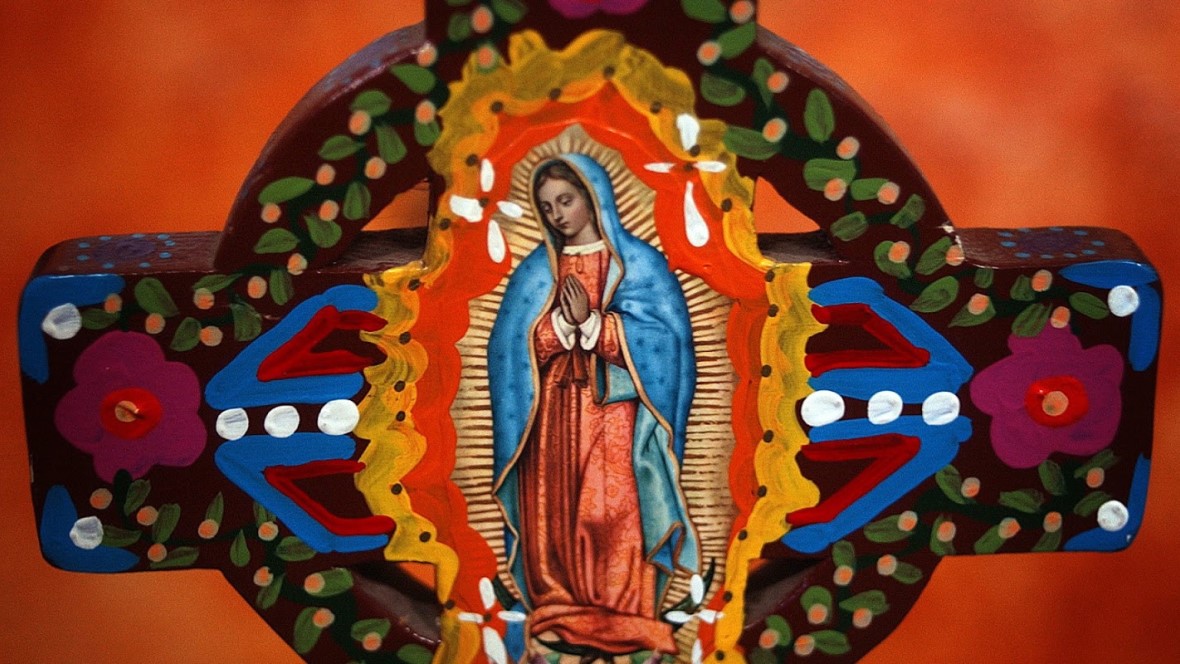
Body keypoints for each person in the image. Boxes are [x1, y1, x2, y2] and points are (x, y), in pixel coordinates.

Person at [488, 154, 699, 659]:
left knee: (611, 511)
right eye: (547, 207)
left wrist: (597, 325)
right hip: (552, 415)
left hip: (615, 414)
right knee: (556, 511)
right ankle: (559, 607)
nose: (558, 215)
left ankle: (626, 615)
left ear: (593, 197)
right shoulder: (536, 271)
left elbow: (667, 344)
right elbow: (508, 349)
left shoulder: (639, 264)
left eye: (566, 200)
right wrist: (557, 328)